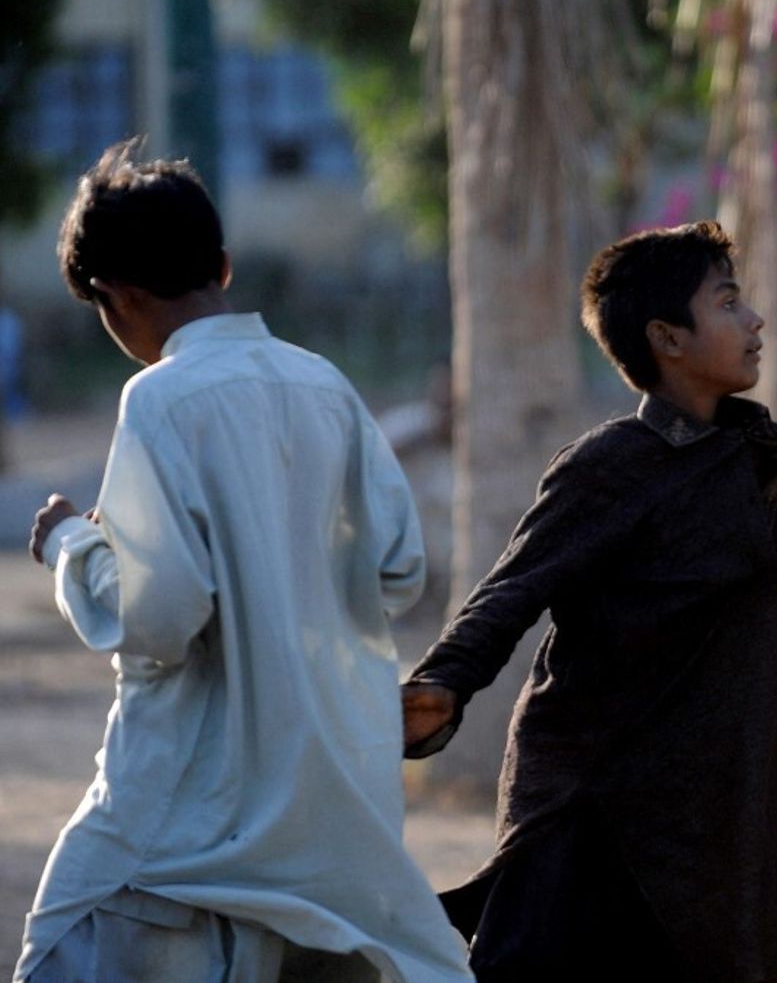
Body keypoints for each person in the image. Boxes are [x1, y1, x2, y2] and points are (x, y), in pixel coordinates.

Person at [16, 142, 471, 982]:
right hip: (332, 809)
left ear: (117, 300)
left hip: (185, 811)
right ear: (223, 266)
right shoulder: (324, 384)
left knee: (56, 947)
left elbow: (159, 621)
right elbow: (399, 568)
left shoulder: (158, 399)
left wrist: (72, 543)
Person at [401, 220, 777, 981]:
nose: (754, 322)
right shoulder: (608, 464)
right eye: (726, 305)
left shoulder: (774, 465)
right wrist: (444, 683)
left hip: (714, 803)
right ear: (667, 338)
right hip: (597, 797)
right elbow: (513, 589)